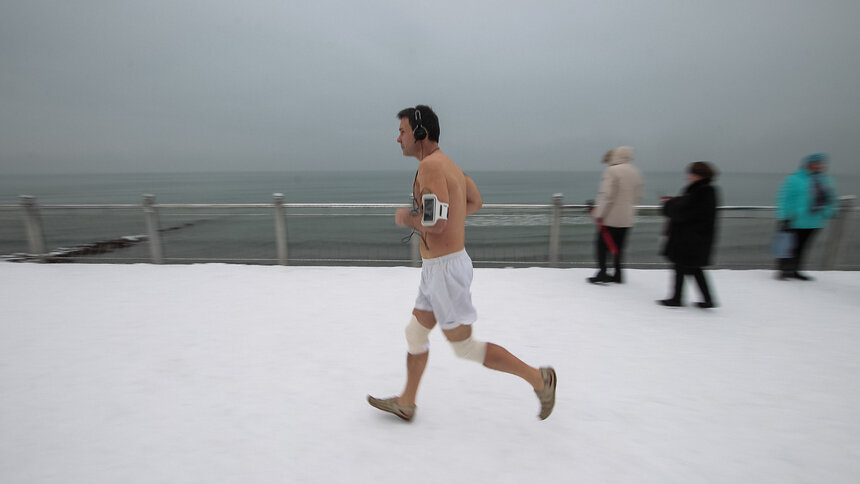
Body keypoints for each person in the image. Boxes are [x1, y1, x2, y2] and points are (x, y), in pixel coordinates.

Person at [367, 105, 556, 421]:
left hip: (445, 270)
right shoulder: (450, 166)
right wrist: (445, 221)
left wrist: (407, 219)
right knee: (415, 333)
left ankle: (540, 379)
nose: (397, 139)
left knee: (465, 347)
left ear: (420, 132)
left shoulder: (430, 168)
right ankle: (407, 402)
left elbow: (435, 224)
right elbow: (474, 201)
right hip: (437, 268)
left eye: (402, 131)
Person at [657, 162, 719, 308]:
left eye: (691, 174)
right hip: (696, 238)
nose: (688, 177)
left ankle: (676, 298)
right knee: (693, 268)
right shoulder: (705, 191)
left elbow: (683, 212)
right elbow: (687, 208)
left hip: (689, 238)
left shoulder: (699, 192)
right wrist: (675, 201)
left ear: (697, 175)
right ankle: (707, 299)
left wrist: (668, 205)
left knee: (682, 267)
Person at [774, 153, 838, 281]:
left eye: (820, 164)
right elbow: (784, 198)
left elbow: (831, 199)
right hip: (795, 220)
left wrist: (830, 212)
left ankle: (796, 270)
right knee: (787, 246)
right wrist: (784, 216)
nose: (818, 166)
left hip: (814, 220)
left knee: (803, 247)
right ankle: (783, 271)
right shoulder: (794, 179)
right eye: (815, 163)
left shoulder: (826, 180)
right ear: (807, 164)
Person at [588, 146, 643, 284]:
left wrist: (599, 214)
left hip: (610, 217)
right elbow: (638, 197)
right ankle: (618, 274)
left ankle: (602, 272)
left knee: (602, 246)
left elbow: (607, 196)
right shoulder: (635, 172)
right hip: (627, 217)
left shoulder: (611, 171)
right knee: (619, 247)